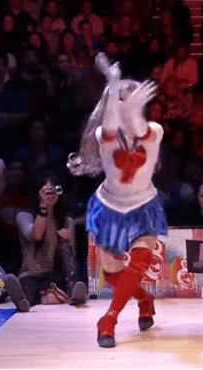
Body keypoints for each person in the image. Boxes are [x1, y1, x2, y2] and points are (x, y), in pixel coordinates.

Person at [67, 54, 167, 348]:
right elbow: (111, 128)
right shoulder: (104, 134)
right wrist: (112, 85)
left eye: (134, 99)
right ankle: (144, 299)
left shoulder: (154, 131)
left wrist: (132, 109)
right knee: (112, 274)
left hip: (143, 206)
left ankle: (108, 320)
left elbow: (140, 130)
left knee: (139, 261)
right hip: (109, 207)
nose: (130, 102)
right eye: (124, 98)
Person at [3, 173, 86, 312]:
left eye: (54, 189)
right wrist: (43, 206)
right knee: (22, 287)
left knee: (54, 284)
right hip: (29, 275)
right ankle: (22, 298)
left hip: (52, 276)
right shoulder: (24, 216)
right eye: (47, 190)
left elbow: (73, 255)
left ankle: (73, 290)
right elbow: (36, 235)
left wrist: (68, 240)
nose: (50, 194)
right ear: (38, 193)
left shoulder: (66, 220)